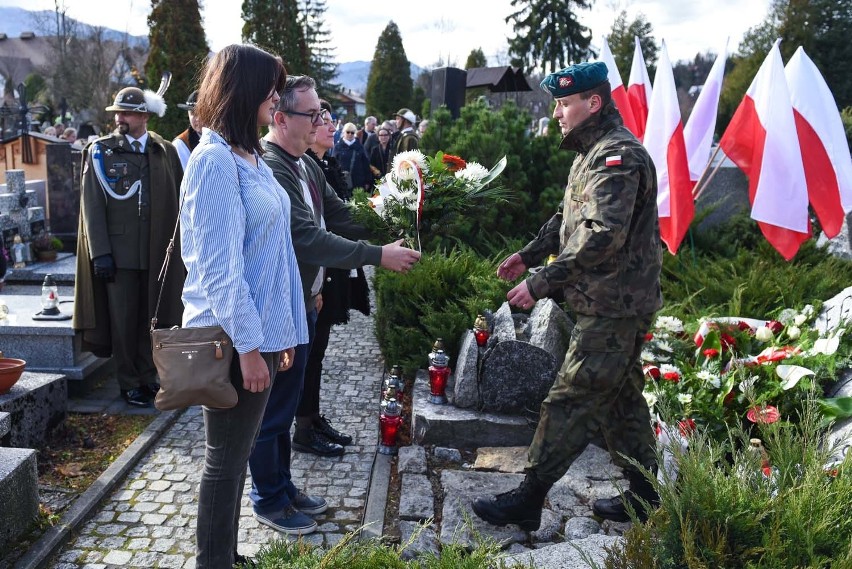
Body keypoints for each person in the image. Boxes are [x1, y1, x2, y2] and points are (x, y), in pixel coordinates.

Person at [471, 61, 664, 530]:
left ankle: (529, 497)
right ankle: (645, 494)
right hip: (607, 303)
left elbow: (601, 235)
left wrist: (542, 281)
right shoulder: (591, 153)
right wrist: (529, 253)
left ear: (592, 103)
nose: (557, 113)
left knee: (570, 398)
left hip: (613, 307)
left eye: (563, 103)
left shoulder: (617, 158)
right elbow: (568, 220)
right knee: (621, 401)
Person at [251, 74, 420, 536]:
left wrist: (399, 218)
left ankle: (283, 487)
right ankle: (268, 498)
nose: (321, 121)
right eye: (313, 114)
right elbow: (305, 237)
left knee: (286, 406)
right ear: (281, 118)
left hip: (301, 300)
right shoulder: (272, 165)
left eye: (322, 112)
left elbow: (341, 216)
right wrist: (378, 256)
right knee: (272, 412)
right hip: (276, 308)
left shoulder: (303, 164)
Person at [182, 44, 306, 569]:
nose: (276, 96)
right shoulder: (213, 161)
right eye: (270, 86)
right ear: (243, 90)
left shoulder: (248, 157)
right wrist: (252, 348)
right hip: (230, 338)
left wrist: (278, 339)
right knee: (225, 463)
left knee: (235, 459)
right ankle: (214, 562)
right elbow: (220, 272)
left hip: (254, 337)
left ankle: (226, 554)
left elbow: (270, 256)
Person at [73, 85, 184, 408]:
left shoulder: (164, 150)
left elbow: (178, 200)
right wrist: (101, 252)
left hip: (155, 251)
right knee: (123, 320)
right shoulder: (101, 151)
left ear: (145, 115)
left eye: (127, 112)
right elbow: (91, 205)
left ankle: (149, 377)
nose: (119, 118)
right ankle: (128, 382)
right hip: (119, 255)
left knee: (151, 317)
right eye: (117, 112)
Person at [297, 99, 372, 456]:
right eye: (321, 119)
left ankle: (310, 415)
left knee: (318, 350)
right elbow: (316, 231)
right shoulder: (302, 167)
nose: (328, 126)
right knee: (308, 354)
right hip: (317, 272)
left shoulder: (324, 164)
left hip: (329, 271)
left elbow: (342, 213)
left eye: (329, 119)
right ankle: (303, 423)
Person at [332, 121, 372, 191]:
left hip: (358, 182)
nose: (350, 134)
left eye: (352, 132)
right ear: (344, 132)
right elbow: (333, 164)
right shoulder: (338, 147)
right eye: (348, 132)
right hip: (342, 181)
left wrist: (367, 181)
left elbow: (366, 165)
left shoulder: (360, 147)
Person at [172, 90, 202, 170]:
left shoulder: (225, 138)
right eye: (193, 113)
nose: (197, 119)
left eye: (201, 113)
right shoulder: (180, 145)